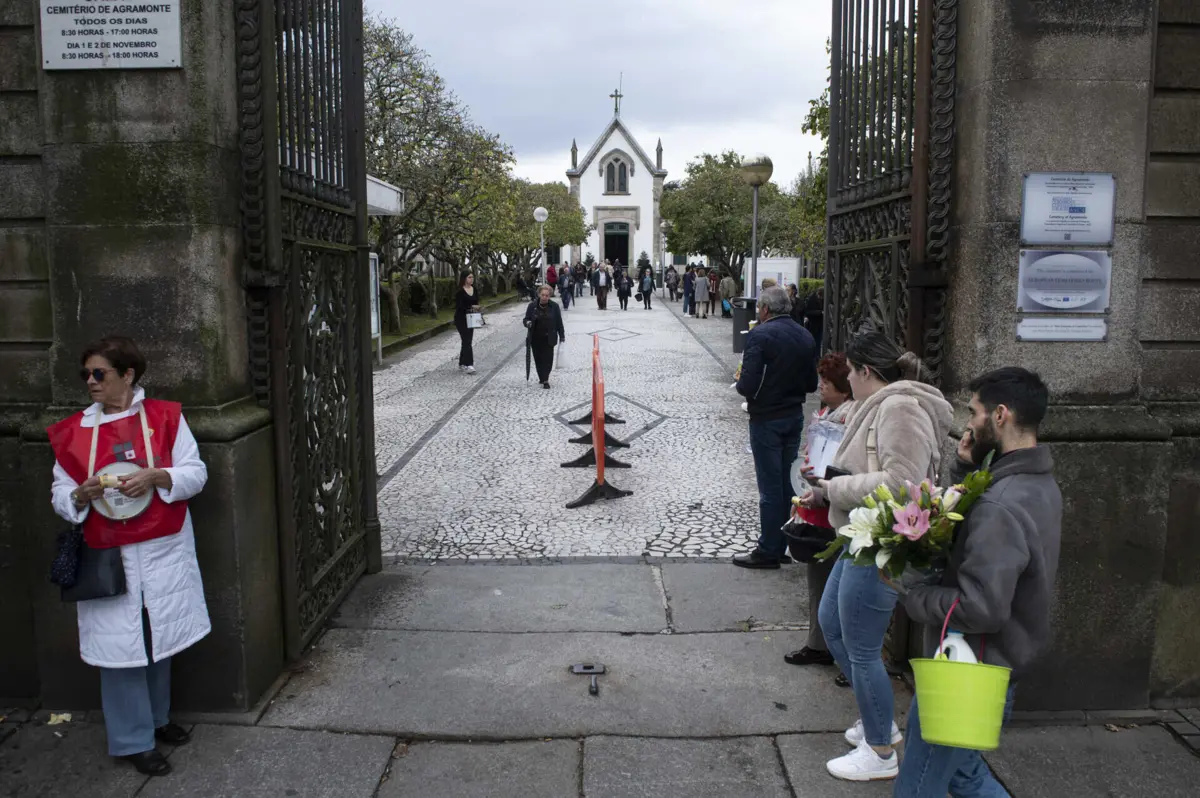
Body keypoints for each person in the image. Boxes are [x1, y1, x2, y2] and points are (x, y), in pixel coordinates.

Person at [893, 368, 1060, 798]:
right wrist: (963, 469)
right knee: (964, 776)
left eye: (976, 412)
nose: (968, 423)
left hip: (967, 674)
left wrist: (915, 597)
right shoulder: (1034, 482)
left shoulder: (1001, 505)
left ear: (1000, 415)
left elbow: (983, 606)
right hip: (994, 666)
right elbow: (987, 544)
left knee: (915, 789)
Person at [47, 336, 209, 777]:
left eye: (100, 373)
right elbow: (60, 494)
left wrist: (160, 475)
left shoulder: (165, 418)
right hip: (107, 552)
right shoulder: (73, 432)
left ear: (128, 375)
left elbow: (195, 473)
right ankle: (133, 740)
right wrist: (79, 494)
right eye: (86, 375)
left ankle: (157, 720)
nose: (91, 382)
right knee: (121, 648)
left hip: (161, 548)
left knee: (158, 638)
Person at [802, 322, 953, 782]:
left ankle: (880, 751)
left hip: (883, 541)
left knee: (863, 648)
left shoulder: (901, 407)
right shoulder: (881, 404)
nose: (845, 379)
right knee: (832, 626)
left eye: (849, 371)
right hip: (860, 534)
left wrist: (834, 488)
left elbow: (903, 484)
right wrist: (826, 490)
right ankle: (877, 719)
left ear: (866, 370)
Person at [733, 286, 818, 569]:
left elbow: (747, 385)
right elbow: (811, 384)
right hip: (793, 415)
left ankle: (769, 550)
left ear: (765, 309)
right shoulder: (805, 335)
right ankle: (781, 543)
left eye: (759, 308)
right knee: (785, 484)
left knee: (770, 487)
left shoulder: (760, 334)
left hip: (767, 418)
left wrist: (746, 383)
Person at [783, 353, 855, 669]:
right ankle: (819, 644)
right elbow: (808, 450)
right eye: (821, 380)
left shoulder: (852, 418)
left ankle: (846, 657)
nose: (820, 387)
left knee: (843, 591)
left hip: (841, 508)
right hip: (818, 503)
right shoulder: (826, 411)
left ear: (845, 387)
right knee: (818, 579)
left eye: (826, 382)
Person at [524, 284, 566, 389]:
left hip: (549, 337)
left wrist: (562, 335)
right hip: (535, 338)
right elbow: (525, 319)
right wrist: (528, 323)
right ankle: (542, 377)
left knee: (548, 359)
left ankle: (545, 379)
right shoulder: (532, 306)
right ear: (539, 295)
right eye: (543, 295)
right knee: (538, 359)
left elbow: (559, 322)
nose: (545, 297)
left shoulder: (554, 306)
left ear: (550, 296)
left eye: (547, 295)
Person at [454, 271, 481, 374]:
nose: (471, 279)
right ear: (464, 279)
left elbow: (476, 302)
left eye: (472, 277)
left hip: (472, 318)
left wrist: (478, 308)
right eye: (469, 277)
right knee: (467, 341)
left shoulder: (475, 290)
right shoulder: (460, 291)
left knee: (467, 341)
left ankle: (462, 362)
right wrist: (470, 307)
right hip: (461, 319)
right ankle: (469, 364)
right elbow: (459, 306)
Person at [804, 287, 825, 352]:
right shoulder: (811, 299)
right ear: (818, 294)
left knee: (818, 341)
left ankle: (817, 356)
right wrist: (820, 312)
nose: (821, 299)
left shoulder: (823, 299)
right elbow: (807, 312)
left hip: (820, 323)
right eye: (820, 297)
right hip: (812, 324)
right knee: (812, 341)